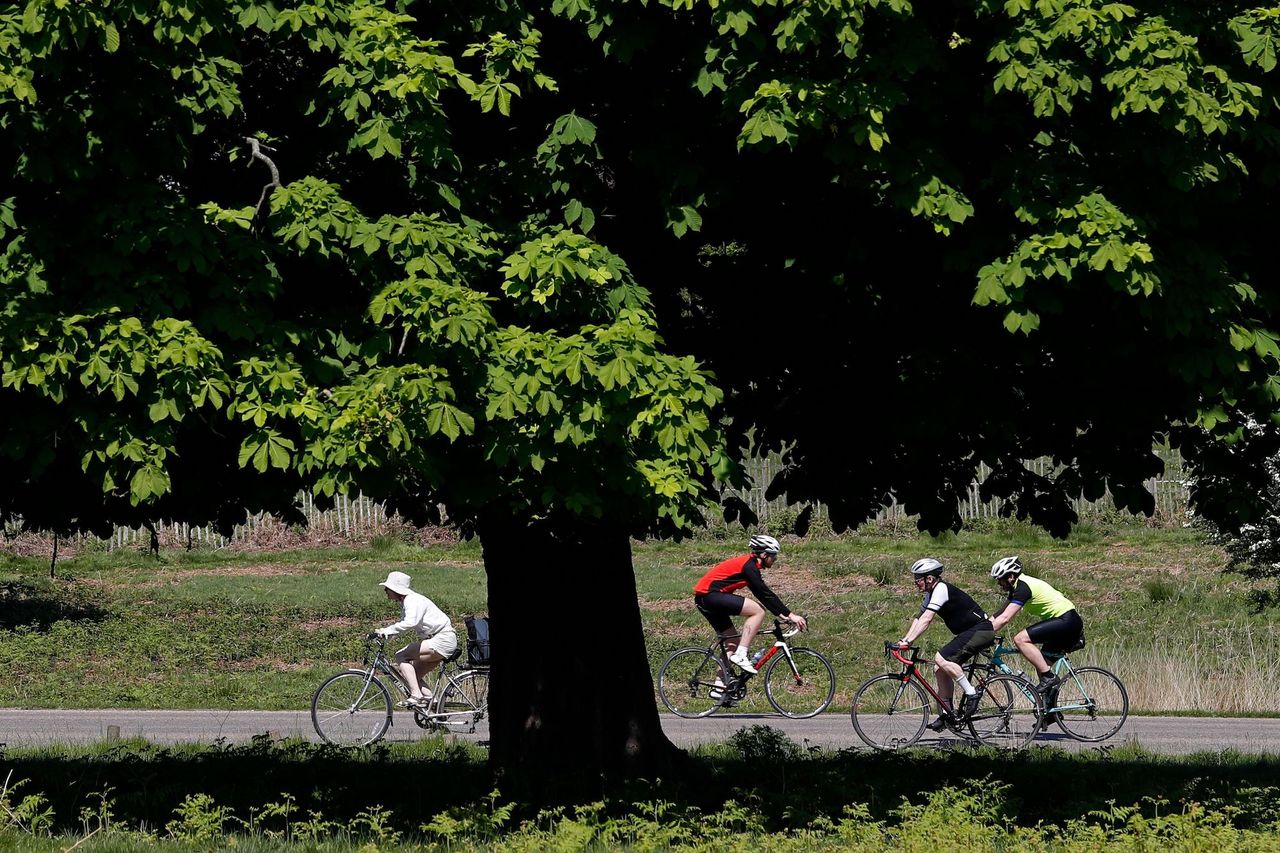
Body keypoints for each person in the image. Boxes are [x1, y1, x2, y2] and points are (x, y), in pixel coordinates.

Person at [895, 558, 995, 731]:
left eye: (918, 578)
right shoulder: (930, 593)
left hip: (980, 630)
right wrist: (904, 640)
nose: (915, 582)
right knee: (939, 669)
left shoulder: (941, 589)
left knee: (941, 658)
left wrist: (909, 641)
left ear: (930, 579)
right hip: (969, 632)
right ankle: (947, 714)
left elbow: (927, 619)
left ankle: (972, 693)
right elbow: (919, 618)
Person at [693, 534, 807, 678]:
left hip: (705, 599)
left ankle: (719, 686)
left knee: (732, 641)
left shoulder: (750, 566)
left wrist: (784, 615)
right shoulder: (749, 567)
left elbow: (762, 595)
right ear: (764, 554)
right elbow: (765, 594)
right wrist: (791, 615)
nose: (775, 559)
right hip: (710, 595)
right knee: (758, 611)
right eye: (774, 555)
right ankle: (741, 654)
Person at [988, 556, 1083, 694]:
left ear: (1011, 576)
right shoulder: (1018, 588)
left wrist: (986, 635)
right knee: (1042, 665)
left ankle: (1049, 677)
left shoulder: (1023, 587)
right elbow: (999, 614)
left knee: (1020, 639)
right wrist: (981, 628)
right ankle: (1048, 712)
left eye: (1000, 579)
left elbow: (1005, 618)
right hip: (1066, 621)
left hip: (1066, 620)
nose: (999, 583)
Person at [370, 570, 457, 709]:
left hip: (442, 639)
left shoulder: (412, 600)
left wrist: (387, 631)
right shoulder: (407, 601)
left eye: (388, 588)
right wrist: (385, 634)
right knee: (412, 677)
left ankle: (416, 695)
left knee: (401, 655)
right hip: (439, 639)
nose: (385, 590)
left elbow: (410, 622)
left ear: (396, 589)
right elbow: (406, 624)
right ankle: (434, 710)